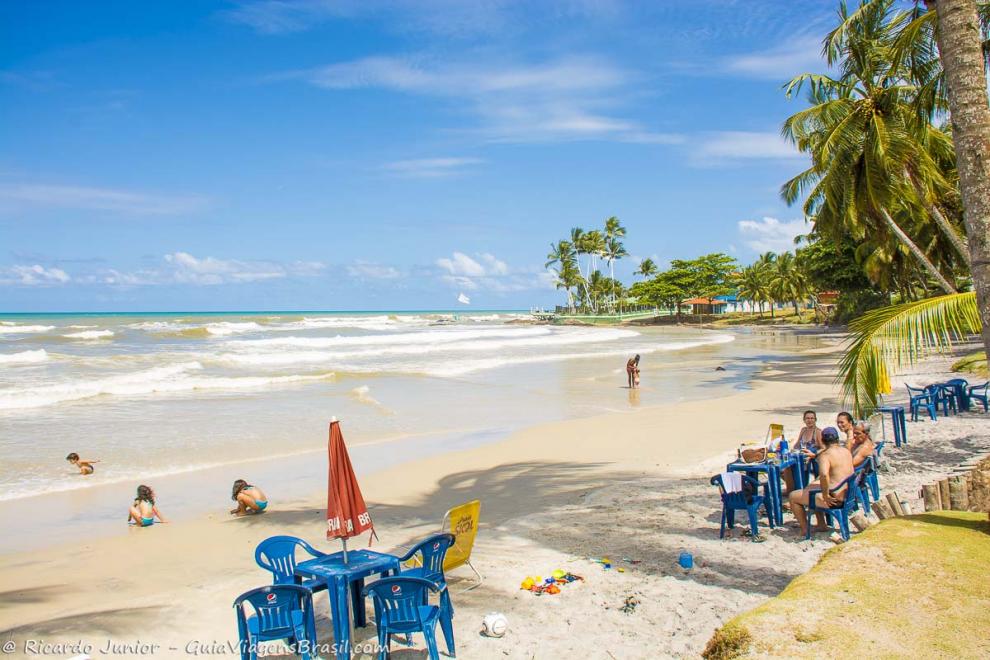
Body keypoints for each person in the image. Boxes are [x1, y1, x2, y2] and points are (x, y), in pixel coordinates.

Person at [787, 427, 854, 537]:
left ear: (822, 441)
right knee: (813, 486)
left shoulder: (826, 456)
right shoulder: (846, 451)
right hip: (847, 494)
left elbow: (823, 475)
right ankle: (821, 524)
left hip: (835, 499)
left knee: (793, 496)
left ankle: (805, 529)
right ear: (837, 439)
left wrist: (825, 495)